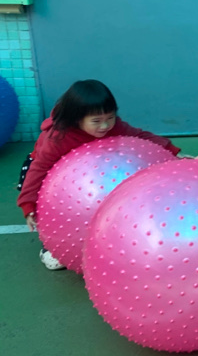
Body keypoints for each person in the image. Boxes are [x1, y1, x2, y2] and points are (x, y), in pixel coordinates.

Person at [16, 79, 181, 270]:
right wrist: (28, 204)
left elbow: (140, 135)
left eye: (110, 118)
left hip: (90, 176)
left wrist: (171, 150)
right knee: (51, 207)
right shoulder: (59, 138)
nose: (105, 126)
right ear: (77, 118)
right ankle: (49, 247)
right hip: (46, 176)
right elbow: (39, 169)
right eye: (96, 121)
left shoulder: (114, 126)